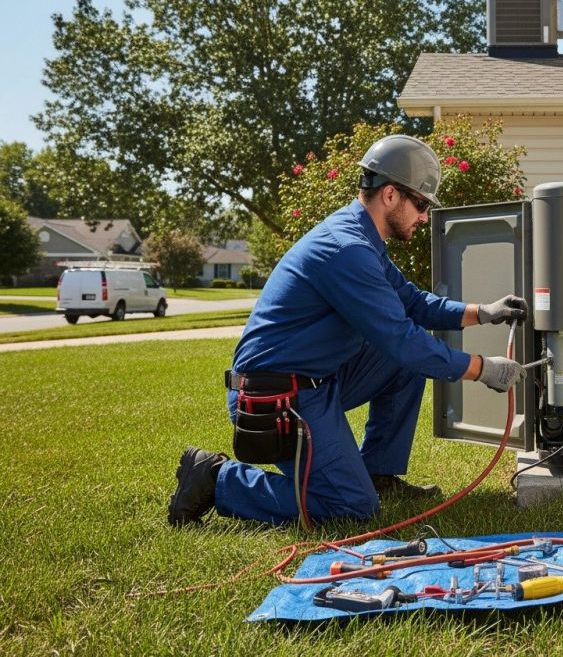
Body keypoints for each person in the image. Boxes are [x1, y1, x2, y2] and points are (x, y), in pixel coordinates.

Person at [168, 134, 527, 527]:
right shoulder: (347, 249)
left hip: (314, 380)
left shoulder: (363, 240)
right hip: (275, 396)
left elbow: (411, 302)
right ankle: (215, 478)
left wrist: (483, 312)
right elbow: (402, 339)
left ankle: (377, 473)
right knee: (351, 509)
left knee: (401, 365)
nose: (424, 216)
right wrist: (482, 368)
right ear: (390, 195)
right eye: (421, 204)